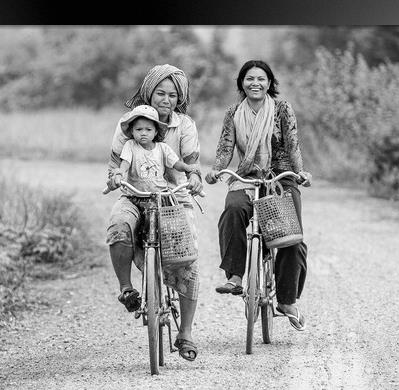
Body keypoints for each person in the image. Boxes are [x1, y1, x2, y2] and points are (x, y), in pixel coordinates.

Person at [205, 60, 312, 331]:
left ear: (269, 83)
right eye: (250, 78)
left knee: (290, 238)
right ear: (242, 82)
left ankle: (287, 301)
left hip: (281, 177)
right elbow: (225, 147)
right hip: (248, 176)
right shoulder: (233, 113)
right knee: (233, 209)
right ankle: (236, 276)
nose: (256, 83)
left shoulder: (281, 109)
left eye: (261, 79)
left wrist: (301, 173)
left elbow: (293, 144)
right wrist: (216, 170)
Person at [106, 64, 203, 361]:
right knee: (119, 227)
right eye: (160, 92)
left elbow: (189, 164)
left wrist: (195, 178)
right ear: (149, 92)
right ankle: (126, 289)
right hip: (134, 196)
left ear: (180, 98)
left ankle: (185, 332)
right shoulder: (128, 123)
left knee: (187, 259)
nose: (166, 99)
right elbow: (115, 165)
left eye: (173, 95)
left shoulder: (184, 125)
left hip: (172, 198)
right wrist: (114, 177)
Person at [111, 105, 198, 193]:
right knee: (122, 207)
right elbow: (126, 163)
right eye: (139, 129)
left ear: (155, 132)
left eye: (148, 129)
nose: (143, 133)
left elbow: (176, 164)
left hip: (160, 194)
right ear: (132, 131)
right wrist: (120, 172)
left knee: (173, 206)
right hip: (135, 194)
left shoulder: (163, 148)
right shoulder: (130, 145)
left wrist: (187, 167)